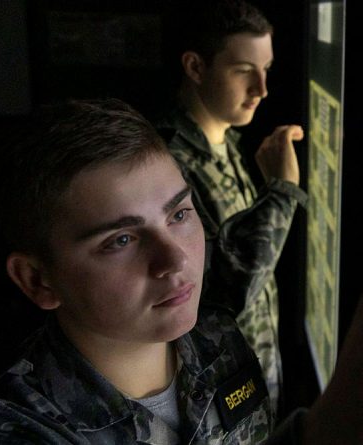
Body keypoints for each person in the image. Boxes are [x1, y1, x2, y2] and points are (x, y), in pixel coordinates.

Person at [0, 99, 363, 444]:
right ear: (39, 280)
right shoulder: (14, 431)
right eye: (121, 240)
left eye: (179, 214)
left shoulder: (215, 338)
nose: (175, 259)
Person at [156, 0, 303, 415]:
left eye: (266, 69)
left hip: (251, 379)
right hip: (217, 400)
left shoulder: (225, 141)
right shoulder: (169, 163)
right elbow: (225, 295)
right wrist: (282, 192)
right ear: (196, 68)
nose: (262, 88)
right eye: (243, 71)